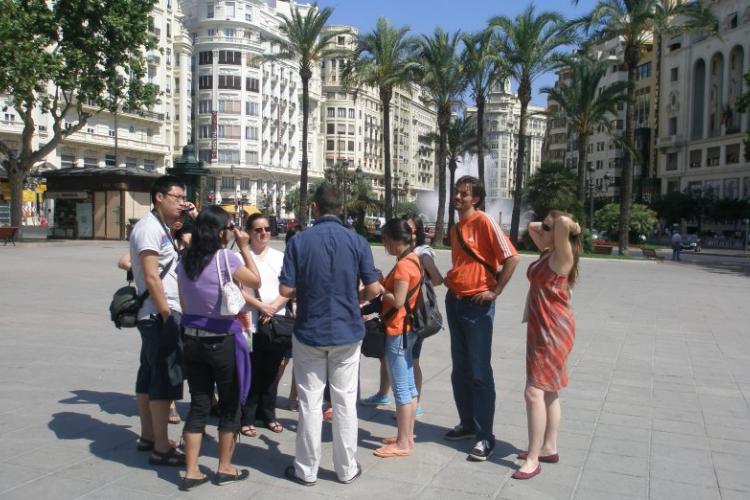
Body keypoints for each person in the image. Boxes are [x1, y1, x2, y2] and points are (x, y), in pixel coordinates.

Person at [279, 183, 382, 486]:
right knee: (345, 401)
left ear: (314, 207)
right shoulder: (357, 241)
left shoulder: (299, 241)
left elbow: (285, 290)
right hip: (347, 330)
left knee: (310, 403)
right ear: (342, 209)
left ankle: (306, 469)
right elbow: (374, 288)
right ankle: (346, 467)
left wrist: (309, 288)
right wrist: (355, 296)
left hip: (309, 330)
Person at [176, 206, 261, 490]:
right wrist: (245, 247)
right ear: (220, 231)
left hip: (191, 338)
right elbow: (255, 281)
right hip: (222, 340)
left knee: (199, 403)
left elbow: (184, 302)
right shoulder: (226, 257)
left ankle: (191, 470)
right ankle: (224, 467)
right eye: (229, 226)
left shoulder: (185, 258)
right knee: (229, 404)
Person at [444, 175, 519, 462]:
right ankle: (467, 423)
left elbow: (512, 257)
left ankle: (485, 436)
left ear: (475, 198)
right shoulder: (456, 228)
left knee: (479, 371)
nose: (458, 197)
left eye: (464, 194)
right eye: (456, 192)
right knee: (459, 368)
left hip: (477, 305)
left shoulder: (484, 221)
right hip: (456, 302)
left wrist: (495, 291)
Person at [129, 175, 197, 466]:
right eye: (177, 196)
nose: (182, 202)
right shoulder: (148, 229)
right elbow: (150, 275)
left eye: (183, 197)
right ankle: (161, 446)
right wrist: (168, 315)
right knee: (164, 379)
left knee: (149, 373)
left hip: (158, 313)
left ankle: (148, 436)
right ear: (159, 197)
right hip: (159, 314)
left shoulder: (163, 228)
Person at [515, 211, 581, 480]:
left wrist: (569, 225)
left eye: (547, 227)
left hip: (553, 330)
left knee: (534, 392)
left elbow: (565, 224)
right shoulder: (548, 250)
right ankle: (548, 447)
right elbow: (531, 227)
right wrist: (546, 227)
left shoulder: (562, 256)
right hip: (540, 328)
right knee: (549, 391)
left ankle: (533, 458)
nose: (540, 229)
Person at [373, 219, 423, 458]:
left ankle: (403, 443)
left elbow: (399, 300)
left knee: (401, 388)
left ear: (394, 240)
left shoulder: (404, 265)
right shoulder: (414, 259)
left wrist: (381, 287)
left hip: (398, 329)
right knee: (410, 387)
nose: (385, 247)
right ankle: (407, 436)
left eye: (385, 242)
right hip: (408, 329)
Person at [240, 213, 290, 437]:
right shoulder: (240, 256)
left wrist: (273, 306)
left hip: (276, 320)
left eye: (267, 229)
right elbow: (237, 289)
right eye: (258, 230)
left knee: (272, 370)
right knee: (250, 368)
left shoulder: (280, 257)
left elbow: (290, 288)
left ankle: (268, 414)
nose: (263, 234)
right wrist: (260, 306)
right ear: (249, 232)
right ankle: (247, 417)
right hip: (248, 320)